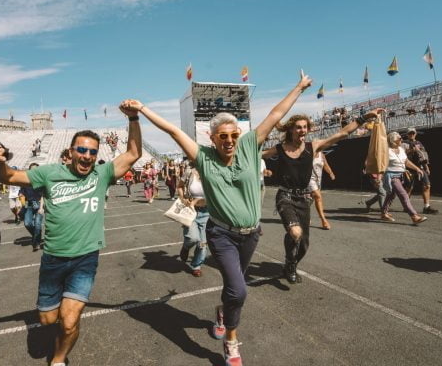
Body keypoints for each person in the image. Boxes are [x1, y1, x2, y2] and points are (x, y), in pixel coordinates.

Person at [118, 70, 313, 366]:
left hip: (251, 233)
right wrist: (141, 110)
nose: (231, 140)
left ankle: (224, 311)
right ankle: (231, 341)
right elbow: (173, 131)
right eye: (224, 136)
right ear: (213, 138)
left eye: (235, 134)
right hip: (222, 234)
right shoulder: (203, 157)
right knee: (238, 288)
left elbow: (276, 114)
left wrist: (299, 87)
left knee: (233, 290)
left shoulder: (249, 145)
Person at [0, 118, 141, 366]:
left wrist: (133, 118)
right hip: (53, 259)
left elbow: (133, 153)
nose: (87, 156)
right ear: (71, 152)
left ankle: (58, 359)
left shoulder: (102, 174)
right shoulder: (49, 174)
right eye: (82, 150)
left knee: (68, 322)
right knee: (48, 320)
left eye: (92, 151)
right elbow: (9, 176)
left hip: (85, 259)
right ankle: (62, 317)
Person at [262, 109, 376, 284]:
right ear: (291, 130)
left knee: (304, 243)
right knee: (295, 231)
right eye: (298, 127)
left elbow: (343, 133)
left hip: (304, 198)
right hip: (285, 196)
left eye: (305, 127)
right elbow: (257, 155)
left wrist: (363, 118)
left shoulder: (313, 146)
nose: (302, 130)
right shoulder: (280, 148)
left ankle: (290, 264)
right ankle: (290, 259)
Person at [381, 132, 428, 224]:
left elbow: (406, 161)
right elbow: (379, 162)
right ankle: (414, 216)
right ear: (392, 140)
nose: (401, 140)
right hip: (391, 176)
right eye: (399, 139)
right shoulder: (386, 150)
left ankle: (384, 213)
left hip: (401, 175)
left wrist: (417, 168)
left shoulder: (401, 149)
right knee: (404, 195)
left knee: (391, 195)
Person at [176, 161, 208, 277]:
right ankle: (186, 247)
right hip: (191, 212)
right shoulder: (189, 172)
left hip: (207, 212)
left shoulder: (212, 173)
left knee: (202, 244)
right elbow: (179, 186)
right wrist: (183, 199)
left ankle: (196, 265)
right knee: (193, 238)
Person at [403, 128, 438, 214]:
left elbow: (423, 156)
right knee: (409, 188)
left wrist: (426, 167)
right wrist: (412, 150)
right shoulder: (403, 143)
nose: (412, 134)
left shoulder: (419, 143)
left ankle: (426, 207)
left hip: (420, 167)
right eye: (410, 133)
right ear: (407, 134)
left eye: (413, 133)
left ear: (415, 134)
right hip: (409, 168)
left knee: (427, 185)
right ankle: (406, 206)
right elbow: (401, 155)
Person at [19, 163, 44, 252]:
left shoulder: (42, 181)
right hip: (28, 204)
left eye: (36, 169)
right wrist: (21, 203)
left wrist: (41, 207)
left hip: (39, 203)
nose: (34, 171)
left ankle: (36, 243)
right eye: (32, 169)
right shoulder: (25, 182)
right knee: (27, 223)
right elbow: (21, 193)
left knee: (37, 224)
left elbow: (44, 195)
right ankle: (36, 236)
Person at [308, 149, 335, 230]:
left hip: (318, 181)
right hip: (309, 180)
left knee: (310, 200)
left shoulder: (321, 155)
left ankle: (306, 215)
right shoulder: (308, 154)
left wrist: (331, 173)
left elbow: (325, 165)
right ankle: (324, 220)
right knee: (318, 197)